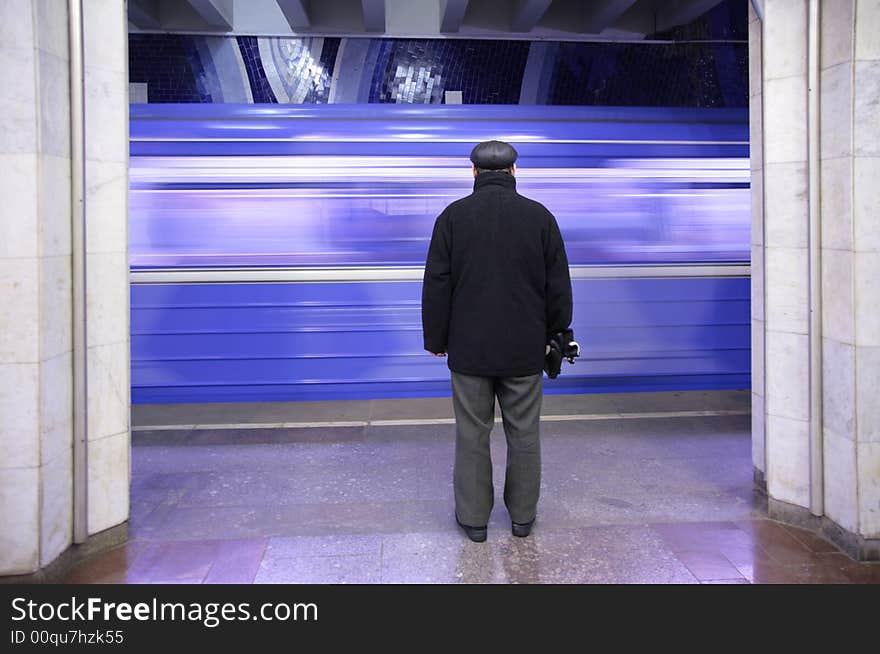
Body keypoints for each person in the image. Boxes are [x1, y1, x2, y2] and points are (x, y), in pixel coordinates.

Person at [421, 140, 573, 542]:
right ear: (513, 171)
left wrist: (436, 338)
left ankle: (473, 521)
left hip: (468, 350)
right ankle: (522, 518)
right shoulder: (539, 218)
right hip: (525, 349)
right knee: (524, 433)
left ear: (473, 172)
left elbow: (437, 284)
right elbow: (557, 286)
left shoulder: (452, 218)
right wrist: (557, 335)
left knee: (472, 433)